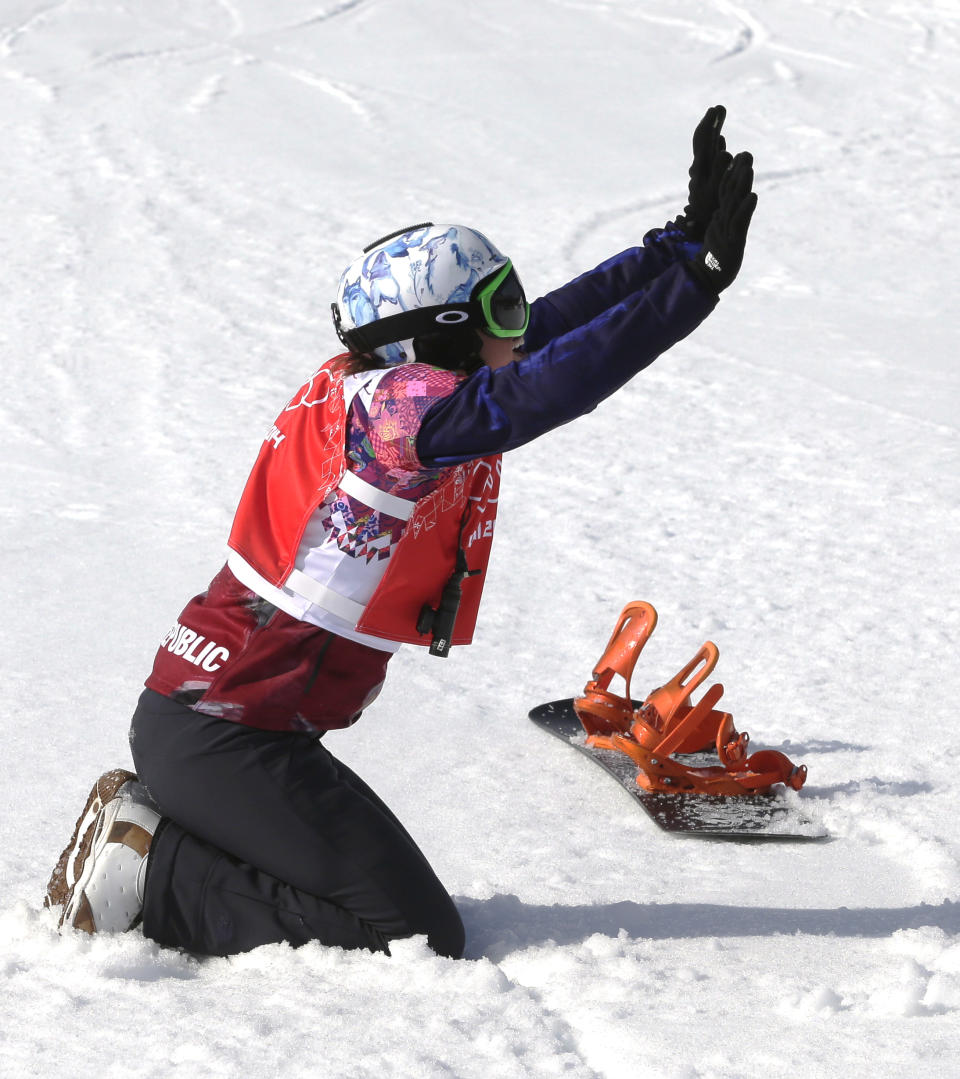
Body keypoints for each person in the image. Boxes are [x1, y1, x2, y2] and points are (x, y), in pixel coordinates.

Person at [45, 107, 757, 959]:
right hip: (227, 734)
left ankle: (160, 832)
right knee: (412, 934)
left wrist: (673, 251)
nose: (518, 320)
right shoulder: (399, 416)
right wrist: (695, 287)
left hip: (219, 723)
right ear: (440, 336)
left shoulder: (393, 390)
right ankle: (152, 872)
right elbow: (545, 388)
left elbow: (551, 334)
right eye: (498, 304)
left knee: (403, 913)